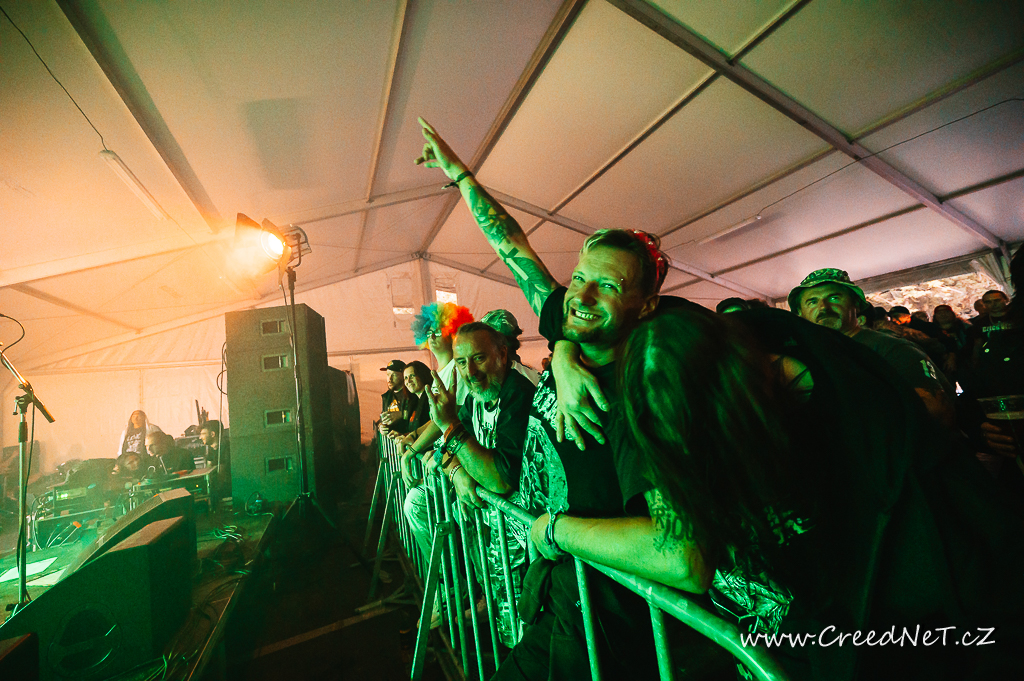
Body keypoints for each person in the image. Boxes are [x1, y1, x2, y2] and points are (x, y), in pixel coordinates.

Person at [416, 117, 702, 678]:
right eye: (580, 277)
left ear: (645, 307)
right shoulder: (569, 330)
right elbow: (511, 245)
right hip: (560, 595)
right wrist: (460, 176)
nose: (582, 295)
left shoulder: (644, 388)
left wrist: (553, 529)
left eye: (609, 285)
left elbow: (681, 554)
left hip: (606, 623)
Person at [619, 304, 1024, 680]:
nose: (697, 452)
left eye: (705, 434)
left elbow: (967, 592)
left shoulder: (865, 427)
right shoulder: (694, 408)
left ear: (740, 392)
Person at [423, 322, 537, 641]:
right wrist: (457, 472)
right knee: (505, 619)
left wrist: (450, 427)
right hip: (495, 532)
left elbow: (499, 479)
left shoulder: (518, 394)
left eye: (479, 358)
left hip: (524, 542)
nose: (470, 372)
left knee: (522, 629)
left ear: (502, 354)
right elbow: (446, 452)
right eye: (461, 362)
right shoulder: (477, 397)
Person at [789, 268, 954, 426]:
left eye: (834, 298)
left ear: (856, 305)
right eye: (812, 301)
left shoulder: (890, 348)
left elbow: (937, 411)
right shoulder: (803, 355)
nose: (823, 307)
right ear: (800, 313)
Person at [379, 359, 411, 435]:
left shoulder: (411, 393)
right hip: (393, 440)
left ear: (403, 375)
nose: (389, 379)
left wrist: (401, 414)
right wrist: (381, 426)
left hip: (410, 438)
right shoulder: (387, 396)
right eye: (388, 374)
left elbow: (419, 414)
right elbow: (383, 418)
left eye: (394, 375)